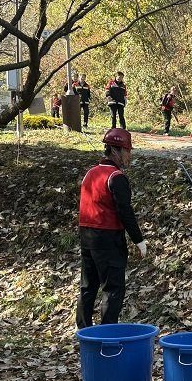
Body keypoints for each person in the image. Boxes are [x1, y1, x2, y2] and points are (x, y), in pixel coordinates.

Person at [77, 128, 147, 329]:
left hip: (86, 237)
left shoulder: (90, 173)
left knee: (88, 286)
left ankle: (84, 331)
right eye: (127, 151)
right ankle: (108, 334)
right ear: (116, 151)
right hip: (108, 238)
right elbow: (125, 211)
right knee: (113, 288)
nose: (129, 155)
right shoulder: (116, 177)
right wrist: (139, 240)